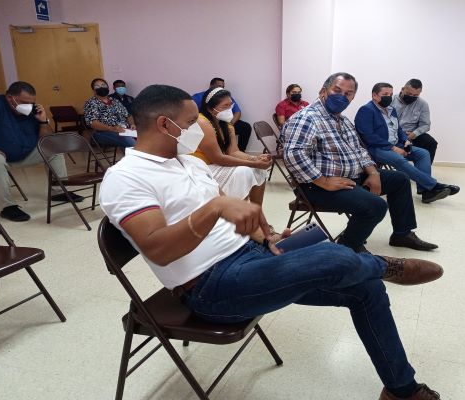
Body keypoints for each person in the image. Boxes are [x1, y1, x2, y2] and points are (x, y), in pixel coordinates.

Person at [99, 84, 443, 400]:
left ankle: (402, 390)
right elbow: (158, 249)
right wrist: (216, 206)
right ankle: (386, 266)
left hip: (251, 257)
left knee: (366, 289)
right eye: (192, 121)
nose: (199, 127)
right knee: (337, 258)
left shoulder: (187, 163)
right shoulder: (126, 178)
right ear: (163, 124)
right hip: (211, 287)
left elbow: (229, 219)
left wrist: (269, 236)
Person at [283, 73, 438, 253]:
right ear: (323, 91)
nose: (342, 96)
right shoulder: (307, 117)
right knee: (376, 206)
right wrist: (323, 181)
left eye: (348, 93)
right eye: (337, 90)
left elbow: (359, 150)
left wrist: (372, 173)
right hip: (317, 185)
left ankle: (402, 234)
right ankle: (348, 246)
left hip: (350, 177)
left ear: (353, 97)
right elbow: (293, 154)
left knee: (400, 180)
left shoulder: (341, 119)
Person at [0, 81, 81, 222]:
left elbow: (47, 140)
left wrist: (43, 121)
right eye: (24, 102)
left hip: (16, 155)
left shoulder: (30, 110)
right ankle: (7, 207)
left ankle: (58, 191)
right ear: (10, 97)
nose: (28, 106)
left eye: (31, 102)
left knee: (53, 149)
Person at [354, 82, 458, 204]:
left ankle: (426, 192)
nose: (389, 96)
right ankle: (433, 186)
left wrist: (406, 140)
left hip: (396, 144)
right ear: (375, 95)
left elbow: (398, 129)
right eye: (385, 94)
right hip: (377, 148)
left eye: (391, 94)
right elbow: (368, 136)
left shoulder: (391, 109)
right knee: (399, 160)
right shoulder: (366, 110)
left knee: (423, 153)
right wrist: (393, 148)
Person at [192, 87, 271, 205]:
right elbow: (217, 158)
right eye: (224, 106)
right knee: (243, 172)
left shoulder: (227, 125)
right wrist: (253, 163)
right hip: (200, 168)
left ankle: (256, 214)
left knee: (259, 170)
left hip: (215, 164)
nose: (229, 110)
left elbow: (233, 152)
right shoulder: (202, 122)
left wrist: (256, 159)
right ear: (210, 109)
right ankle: (242, 217)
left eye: (230, 105)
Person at [192, 78, 251, 151]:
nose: (221, 89)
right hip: (208, 123)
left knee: (245, 127)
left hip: (223, 122)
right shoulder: (197, 97)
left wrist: (230, 123)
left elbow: (238, 112)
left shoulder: (227, 98)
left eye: (222, 87)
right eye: (218, 86)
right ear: (211, 86)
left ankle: (242, 150)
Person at [392, 79, 439, 164]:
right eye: (409, 94)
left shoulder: (422, 104)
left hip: (412, 133)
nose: (411, 97)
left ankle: (423, 173)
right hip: (392, 132)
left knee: (431, 143)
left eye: (415, 95)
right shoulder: (391, 100)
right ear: (402, 89)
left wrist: (415, 133)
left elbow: (426, 124)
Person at [84, 78, 136, 148]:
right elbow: (93, 123)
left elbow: (128, 115)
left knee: (144, 138)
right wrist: (111, 128)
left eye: (103, 85)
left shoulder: (115, 101)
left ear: (107, 87)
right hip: (103, 132)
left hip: (123, 130)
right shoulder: (91, 103)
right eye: (97, 86)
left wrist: (132, 124)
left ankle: (131, 157)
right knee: (128, 140)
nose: (101, 87)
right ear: (94, 90)